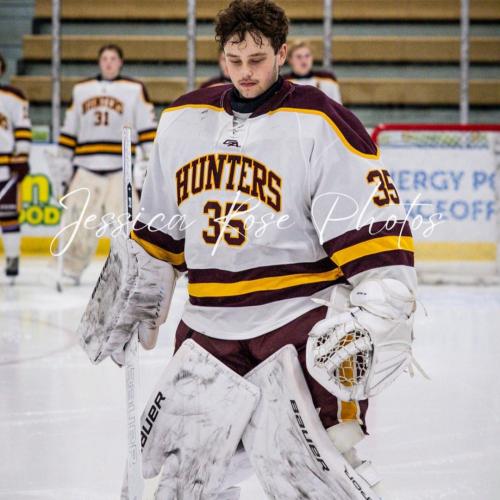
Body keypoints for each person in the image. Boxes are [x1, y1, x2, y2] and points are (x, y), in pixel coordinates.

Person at [80, 1, 417, 498]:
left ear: (282, 53)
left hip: (295, 321)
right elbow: (159, 233)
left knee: (322, 472)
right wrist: (137, 286)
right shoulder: (184, 119)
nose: (245, 72)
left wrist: (381, 308)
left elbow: (374, 232)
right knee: (188, 481)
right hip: (207, 326)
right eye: (234, 60)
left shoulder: (320, 120)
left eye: (257, 60)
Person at [54, 44, 157, 285]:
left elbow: (147, 128)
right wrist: (62, 163)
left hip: (120, 170)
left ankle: (133, 269)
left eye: (113, 58)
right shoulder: (81, 90)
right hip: (86, 166)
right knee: (78, 223)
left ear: (121, 62)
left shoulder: (134, 89)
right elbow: (70, 128)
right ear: (99, 62)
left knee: (128, 225)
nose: (109, 62)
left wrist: (149, 162)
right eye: (105, 58)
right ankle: (70, 268)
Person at [0, 52, 32, 279]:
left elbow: (22, 128)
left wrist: (21, 158)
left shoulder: (13, 97)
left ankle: (12, 257)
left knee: (8, 214)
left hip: (4, 165)